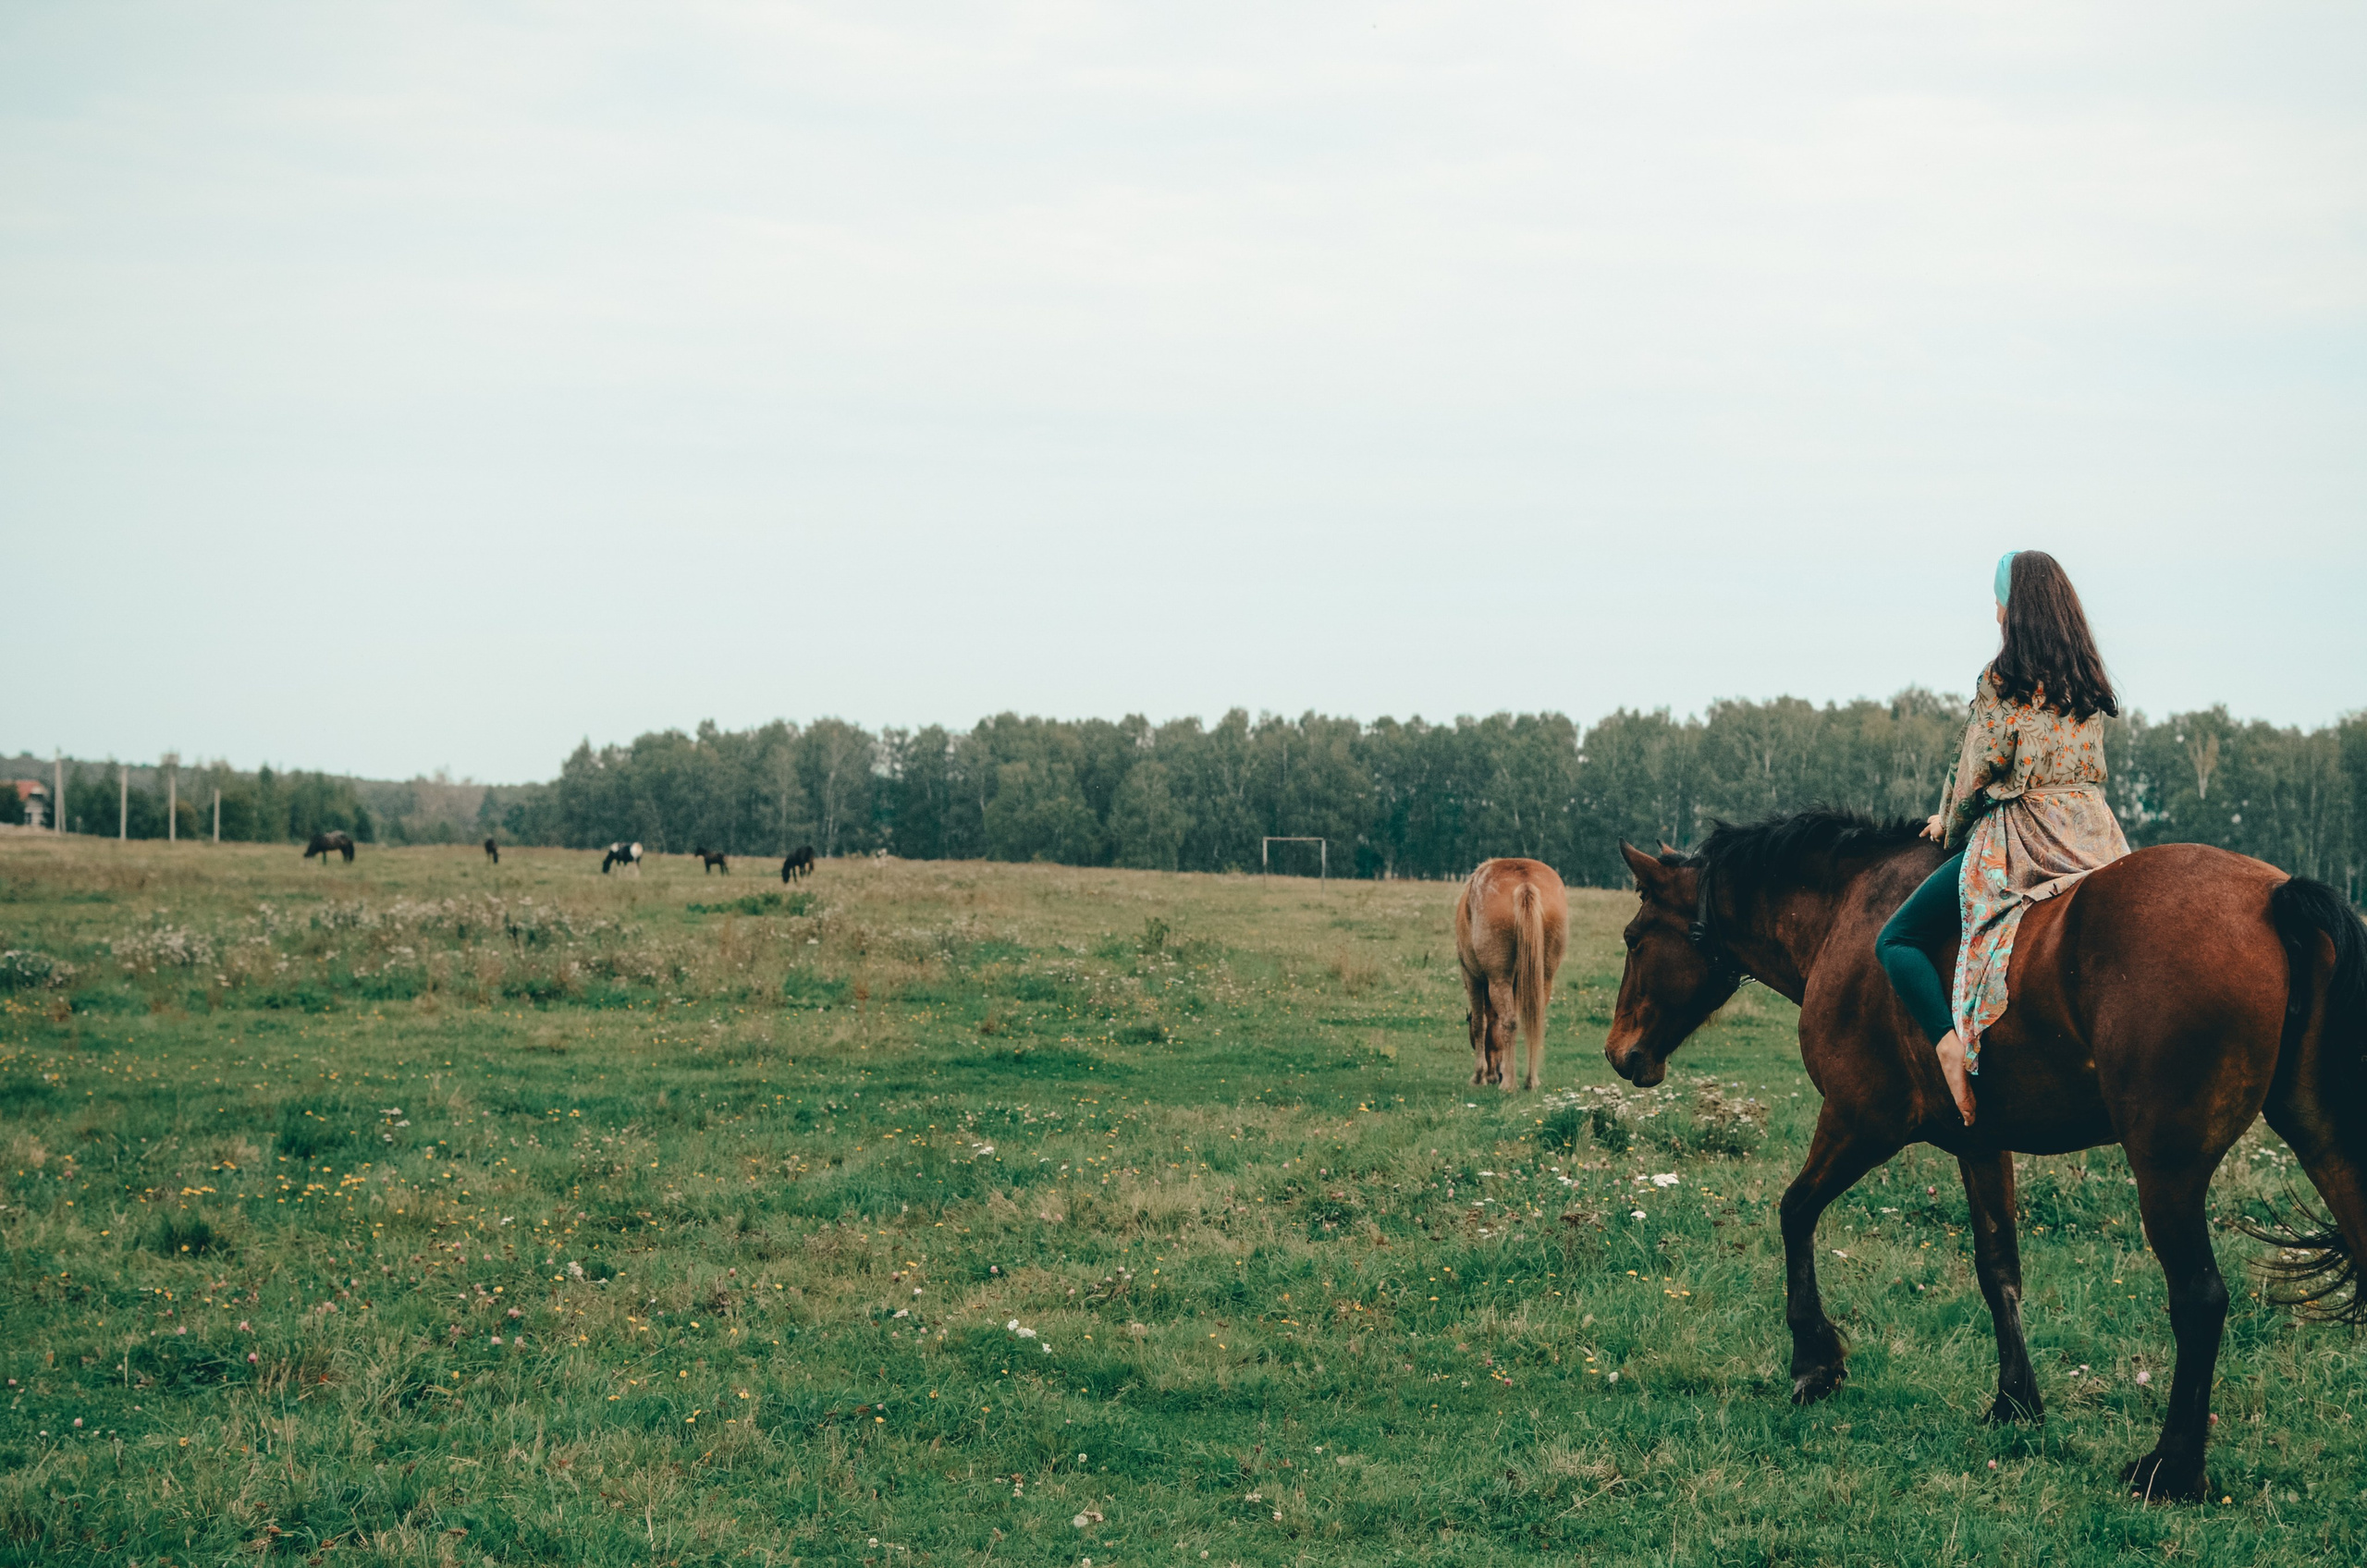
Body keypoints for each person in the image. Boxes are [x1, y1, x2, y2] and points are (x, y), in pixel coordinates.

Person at [1875, 550, 2129, 1125]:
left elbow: (1974, 774)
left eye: (1998, 599)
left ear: (2014, 607)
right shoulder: (2088, 681)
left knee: (1897, 939)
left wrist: (1949, 824)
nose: (1994, 611)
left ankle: (1949, 1045)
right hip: (2095, 837)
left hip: (2025, 837)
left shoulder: (2002, 681)